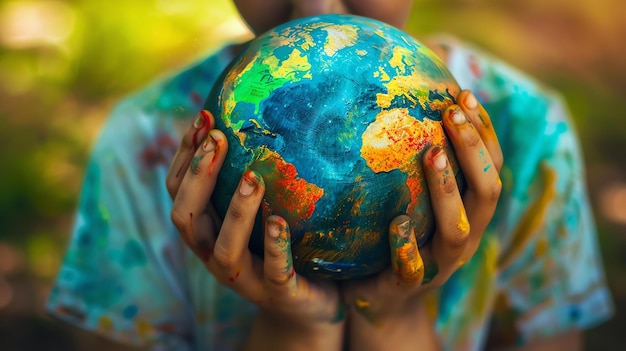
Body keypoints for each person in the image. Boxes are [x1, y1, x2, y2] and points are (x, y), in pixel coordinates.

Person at [47, 0, 613, 350]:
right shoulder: (141, 142)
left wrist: (393, 320)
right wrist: (295, 333)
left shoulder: (527, 133)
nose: (318, 6)